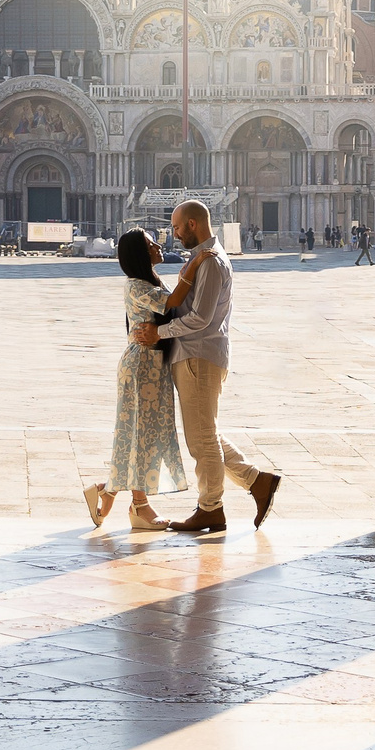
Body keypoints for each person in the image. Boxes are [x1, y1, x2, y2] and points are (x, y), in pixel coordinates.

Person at [135, 198, 281, 532]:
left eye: (176, 227)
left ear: (193, 224)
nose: (174, 234)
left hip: (198, 354)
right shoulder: (202, 258)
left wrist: (159, 333)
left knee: (201, 440)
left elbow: (200, 318)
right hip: (195, 355)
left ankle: (211, 508)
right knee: (206, 434)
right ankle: (258, 482)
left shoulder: (211, 262)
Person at [85, 230, 193, 532]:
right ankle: (139, 504)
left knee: (141, 433)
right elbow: (173, 302)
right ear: (139, 254)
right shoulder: (137, 285)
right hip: (142, 365)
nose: (158, 246)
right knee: (141, 433)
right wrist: (194, 266)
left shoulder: (150, 282)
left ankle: (108, 491)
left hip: (152, 364)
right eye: (150, 244)